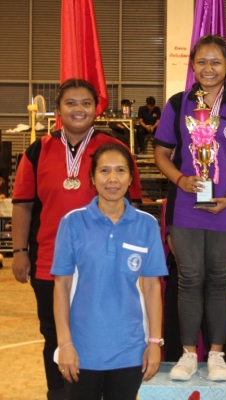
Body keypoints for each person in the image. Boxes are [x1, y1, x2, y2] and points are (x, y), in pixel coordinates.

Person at [11, 78, 142, 400]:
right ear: (58, 109)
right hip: (50, 263)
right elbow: (23, 204)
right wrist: (19, 250)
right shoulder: (38, 150)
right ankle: (59, 394)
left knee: (102, 331)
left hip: (104, 264)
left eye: (86, 103)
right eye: (70, 103)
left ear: (96, 109)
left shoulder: (114, 149)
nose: (78, 109)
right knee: (54, 334)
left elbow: (133, 205)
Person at [154, 34, 226, 381]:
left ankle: (216, 354)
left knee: (218, 280)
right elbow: (161, 153)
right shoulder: (178, 103)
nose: (209, 68)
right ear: (192, 65)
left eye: (216, 61)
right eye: (201, 61)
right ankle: (188, 354)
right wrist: (180, 179)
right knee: (189, 279)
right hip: (186, 205)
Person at [51, 143, 166, 400]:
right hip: (81, 350)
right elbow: (62, 286)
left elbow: (152, 287)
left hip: (130, 351)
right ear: (92, 178)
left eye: (120, 170)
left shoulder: (147, 225)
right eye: (104, 170)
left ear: (131, 178)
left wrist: (154, 343)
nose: (112, 179)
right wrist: (65, 343)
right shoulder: (72, 222)